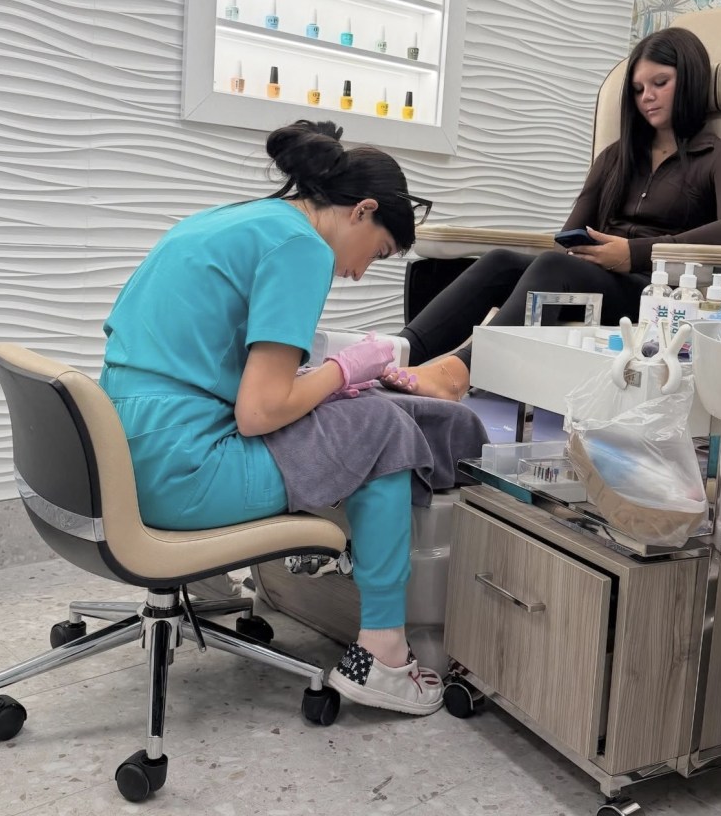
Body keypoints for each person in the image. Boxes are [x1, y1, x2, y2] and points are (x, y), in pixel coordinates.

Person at [100, 120, 488, 717]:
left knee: (355, 415)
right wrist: (346, 369)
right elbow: (259, 413)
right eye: (377, 253)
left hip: (123, 455)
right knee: (384, 427)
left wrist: (327, 380)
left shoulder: (232, 220)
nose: (359, 272)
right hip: (181, 474)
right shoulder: (301, 248)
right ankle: (385, 655)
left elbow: (213, 366)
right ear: (362, 210)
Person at [383, 26, 721, 400]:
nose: (647, 97)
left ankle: (455, 375)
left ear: (690, 80)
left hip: (658, 299)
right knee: (501, 262)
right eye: (638, 89)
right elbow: (570, 235)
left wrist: (635, 253)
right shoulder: (616, 158)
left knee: (554, 268)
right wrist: (585, 248)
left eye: (660, 83)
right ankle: (392, 354)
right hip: (597, 288)